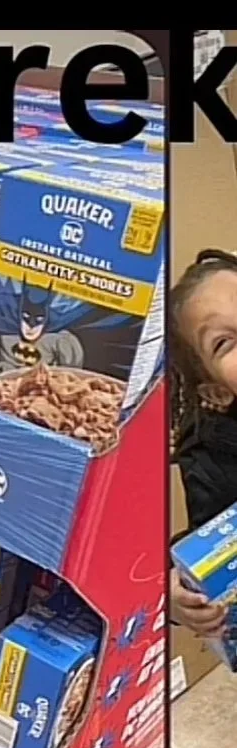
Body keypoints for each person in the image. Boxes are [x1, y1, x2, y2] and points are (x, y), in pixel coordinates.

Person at [170, 248, 237, 636]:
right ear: (217, 392)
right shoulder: (212, 458)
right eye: (223, 342)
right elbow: (204, 547)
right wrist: (178, 591)